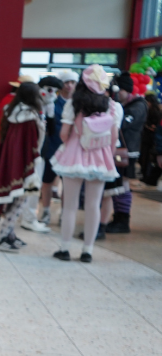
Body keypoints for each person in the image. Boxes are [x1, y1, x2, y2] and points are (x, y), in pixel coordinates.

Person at [50, 65, 119, 263]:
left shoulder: (73, 103)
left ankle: (64, 248)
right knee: (93, 205)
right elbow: (113, 136)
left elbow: (64, 133)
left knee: (70, 205)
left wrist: (71, 142)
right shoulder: (111, 105)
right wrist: (109, 155)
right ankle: (87, 251)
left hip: (74, 155)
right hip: (101, 157)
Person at [0, 82, 45, 252]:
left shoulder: (13, 111)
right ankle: (4, 235)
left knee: (17, 200)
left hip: (14, 161)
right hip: (24, 164)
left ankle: (9, 233)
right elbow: (30, 143)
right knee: (19, 200)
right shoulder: (27, 116)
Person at [18, 76, 62, 233]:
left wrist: (50, 115)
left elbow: (50, 131)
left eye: (56, 91)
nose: (52, 94)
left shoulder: (45, 107)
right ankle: (26, 217)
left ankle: (29, 217)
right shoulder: (29, 108)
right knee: (29, 185)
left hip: (41, 153)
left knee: (34, 185)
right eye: (49, 90)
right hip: (29, 153)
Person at [104, 73, 147, 234]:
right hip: (122, 150)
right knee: (120, 185)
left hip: (128, 152)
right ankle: (118, 218)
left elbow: (123, 124)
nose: (117, 93)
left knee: (124, 185)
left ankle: (122, 220)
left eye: (120, 90)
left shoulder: (138, 105)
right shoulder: (126, 105)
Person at [38, 71, 77, 225]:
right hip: (52, 147)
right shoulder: (52, 101)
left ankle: (64, 214)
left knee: (67, 184)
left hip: (70, 150)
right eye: (67, 82)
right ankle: (46, 212)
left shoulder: (78, 103)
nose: (69, 85)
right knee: (47, 181)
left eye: (72, 82)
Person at [140, 93, 162, 185]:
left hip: (152, 140)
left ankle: (149, 179)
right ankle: (148, 178)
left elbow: (158, 131)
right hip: (152, 141)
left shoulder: (155, 112)